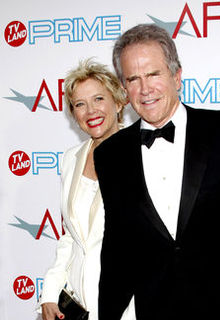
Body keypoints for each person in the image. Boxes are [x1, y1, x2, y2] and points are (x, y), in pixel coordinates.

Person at [94, 24, 220, 320]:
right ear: (124, 88)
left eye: (154, 74)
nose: (145, 89)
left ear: (176, 75)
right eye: (133, 79)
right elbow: (118, 248)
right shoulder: (110, 155)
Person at [39, 59, 135, 320]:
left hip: (128, 305)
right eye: (80, 104)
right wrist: (50, 290)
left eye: (98, 99)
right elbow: (71, 236)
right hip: (79, 306)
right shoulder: (71, 159)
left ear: (118, 102)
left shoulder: (141, 155)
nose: (90, 111)